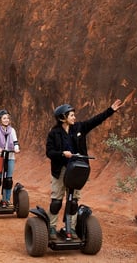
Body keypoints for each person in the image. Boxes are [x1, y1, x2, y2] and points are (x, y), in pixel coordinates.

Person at [46, 99, 124, 240]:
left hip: (76, 170)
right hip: (61, 170)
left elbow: (95, 121)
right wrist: (62, 153)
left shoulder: (79, 128)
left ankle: (70, 228)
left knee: (74, 200)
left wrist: (110, 110)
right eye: (71, 115)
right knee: (57, 200)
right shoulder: (54, 133)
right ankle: (51, 227)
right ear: (63, 118)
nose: (74, 117)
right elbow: (49, 152)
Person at [0, 109, 20, 208]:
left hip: (10, 157)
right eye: (4, 118)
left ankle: (7, 200)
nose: (6, 120)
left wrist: (16, 148)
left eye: (8, 118)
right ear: (0, 120)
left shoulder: (12, 130)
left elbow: (15, 142)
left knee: (8, 179)